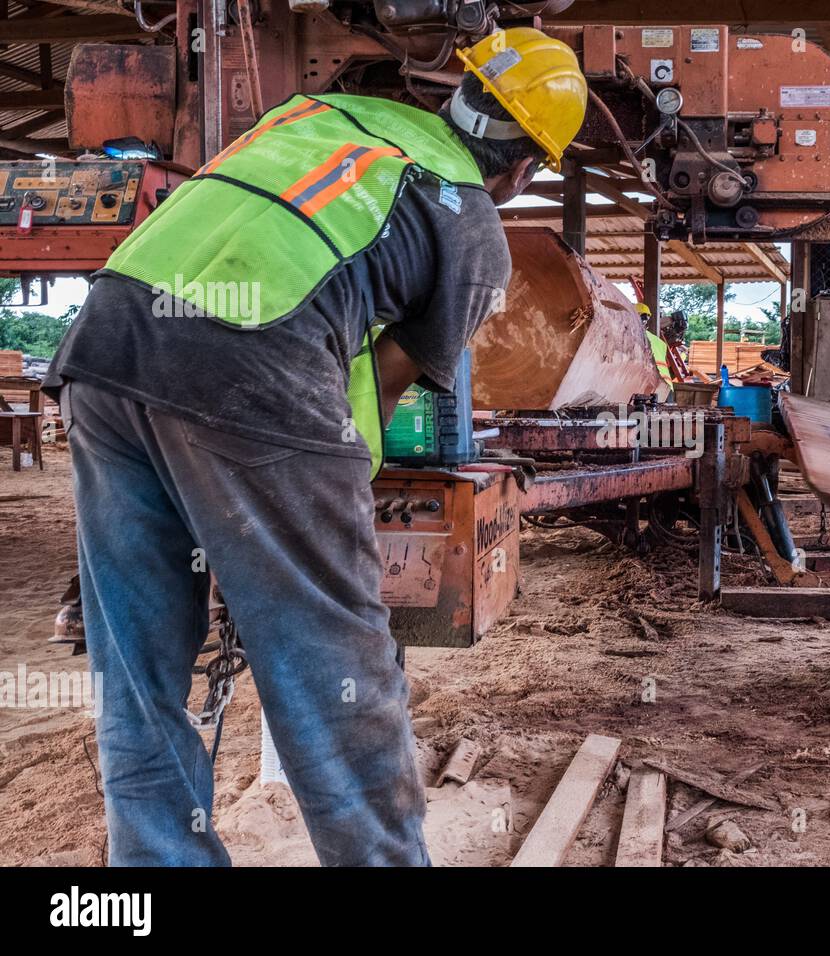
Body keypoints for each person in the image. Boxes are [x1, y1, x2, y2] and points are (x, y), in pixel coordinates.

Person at [41, 28, 588, 865]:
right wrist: (317, 512)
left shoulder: (326, 111)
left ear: (457, 94)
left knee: (138, 664)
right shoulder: (472, 223)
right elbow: (384, 384)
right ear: (527, 169)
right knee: (335, 665)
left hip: (106, 348)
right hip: (252, 365)